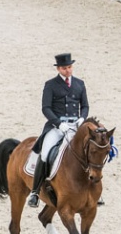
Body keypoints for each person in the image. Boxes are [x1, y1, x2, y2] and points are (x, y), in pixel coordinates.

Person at [28, 53, 89, 207]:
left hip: (76, 126)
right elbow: (46, 108)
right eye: (64, 68)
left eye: (69, 67)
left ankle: (93, 190)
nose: (67, 71)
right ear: (58, 69)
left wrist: (82, 118)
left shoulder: (80, 84)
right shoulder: (51, 85)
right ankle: (35, 192)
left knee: (90, 151)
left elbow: (85, 106)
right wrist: (58, 123)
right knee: (46, 153)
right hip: (57, 127)